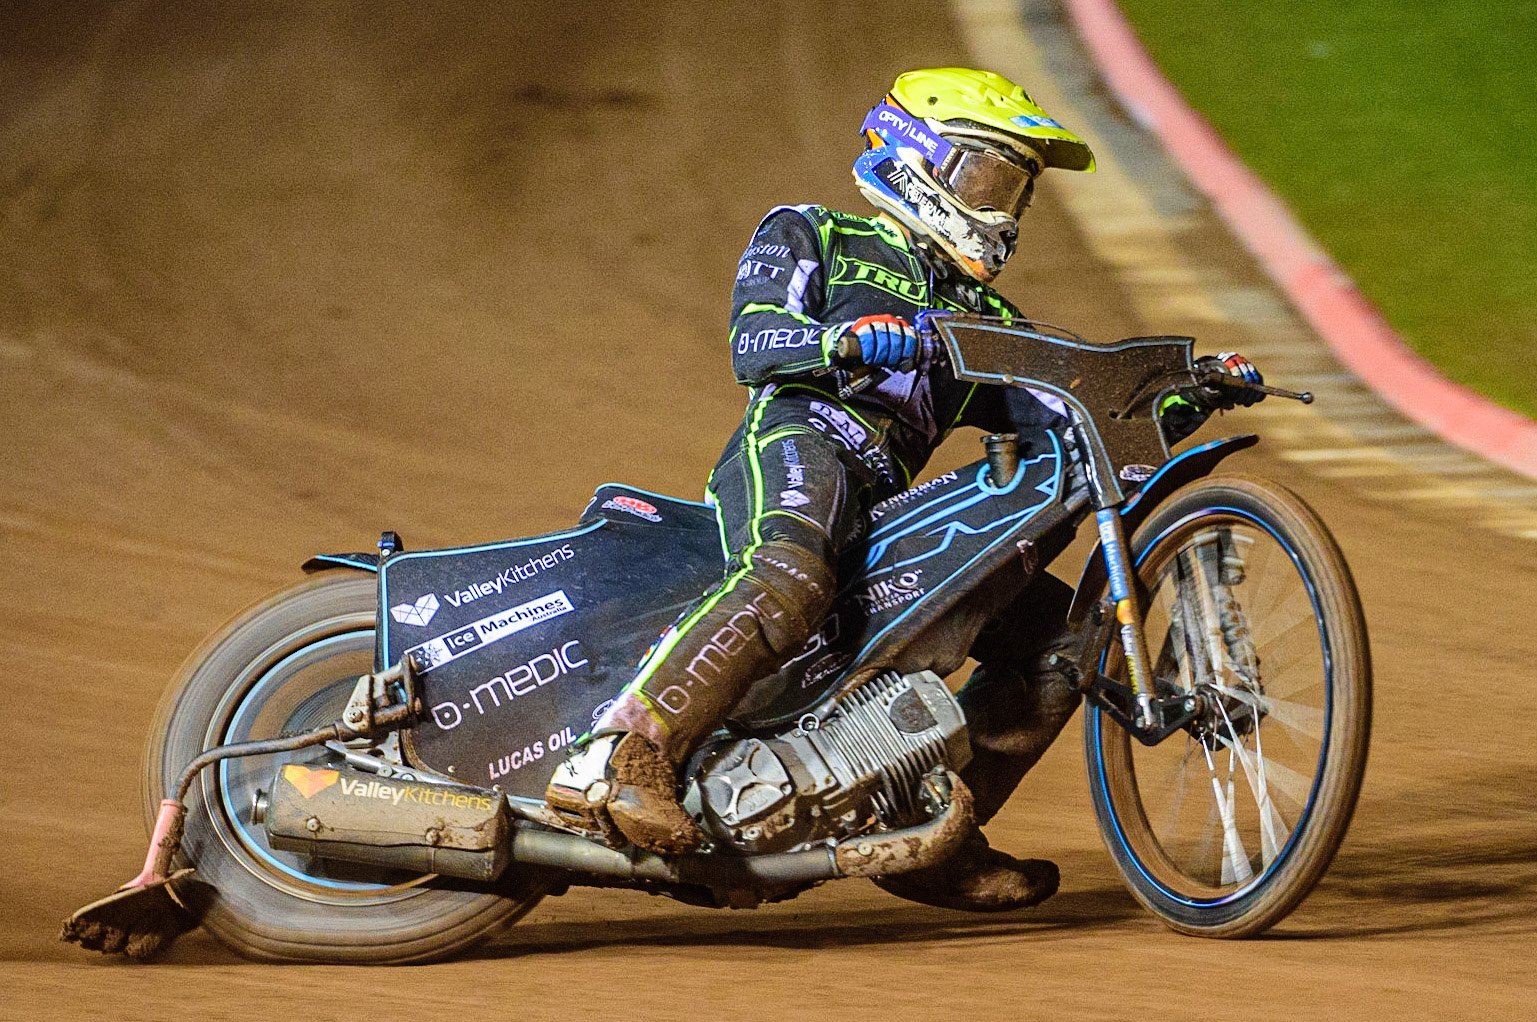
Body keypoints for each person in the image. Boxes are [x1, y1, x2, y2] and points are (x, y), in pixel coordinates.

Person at [547, 67, 1262, 911]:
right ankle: (621, 755)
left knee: (1066, 642)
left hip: (885, 503)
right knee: (791, 574)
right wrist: (849, 341)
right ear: (916, 159)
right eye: (988, 176)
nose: (1003, 211)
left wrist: (1181, 396)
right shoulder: (813, 232)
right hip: (798, 442)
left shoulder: (984, 318)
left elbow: (1067, 412)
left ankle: (931, 837)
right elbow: (754, 343)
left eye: (1017, 190)